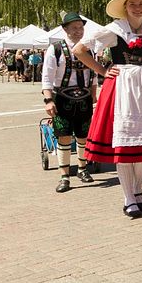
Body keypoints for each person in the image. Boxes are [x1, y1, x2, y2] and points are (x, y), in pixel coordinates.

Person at [74, 0, 142, 219]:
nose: (137, 8)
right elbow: (79, 50)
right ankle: (128, 196)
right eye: (133, 4)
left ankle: (138, 189)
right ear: (125, 7)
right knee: (125, 144)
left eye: (141, 4)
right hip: (123, 87)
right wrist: (102, 70)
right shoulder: (115, 30)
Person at [41, 12, 96, 193]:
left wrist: (94, 97)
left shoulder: (89, 49)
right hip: (62, 99)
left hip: (84, 99)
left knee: (83, 135)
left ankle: (82, 169)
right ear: (65, 29)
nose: (78, 31)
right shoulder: (55, 49)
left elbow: (93, 76)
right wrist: (48, 100)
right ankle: (64, 177)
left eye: (80, 27)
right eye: (74, 28)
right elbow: (47, 78)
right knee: (64, 136)